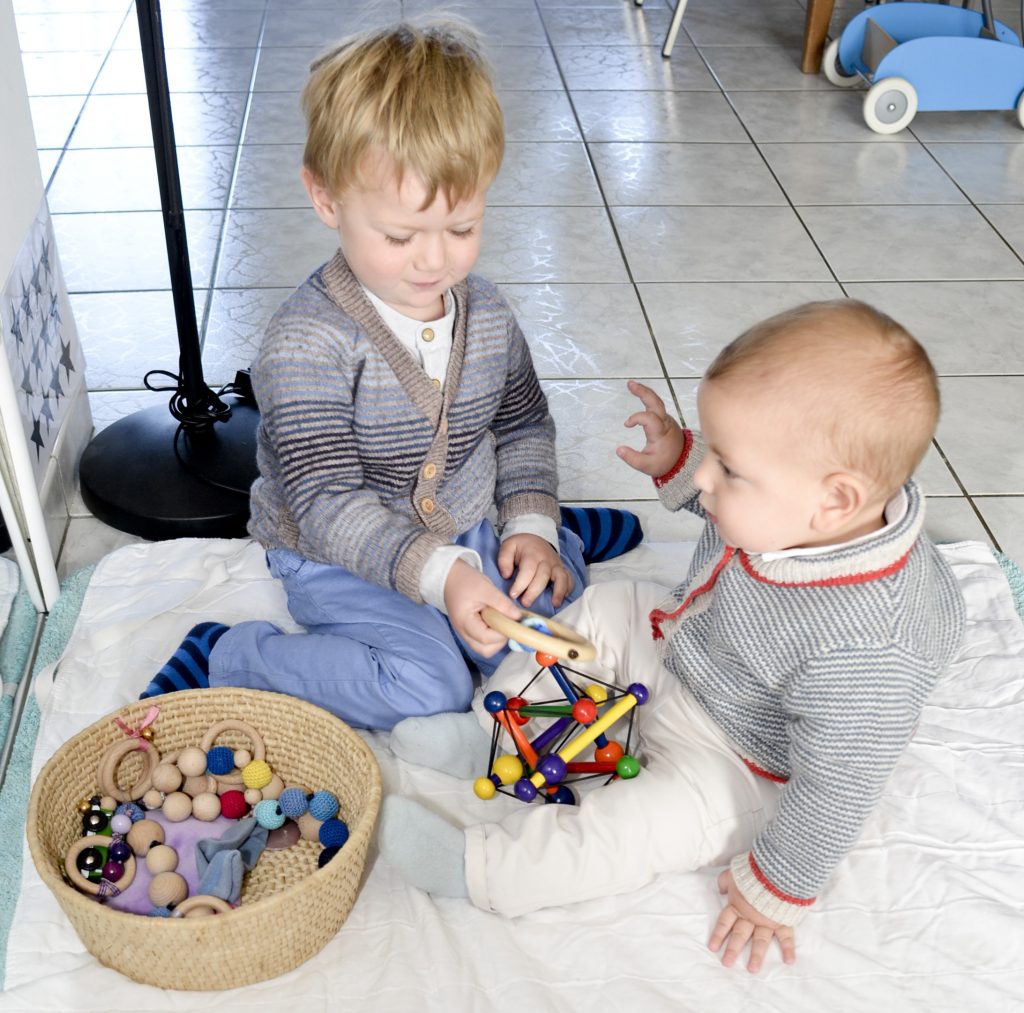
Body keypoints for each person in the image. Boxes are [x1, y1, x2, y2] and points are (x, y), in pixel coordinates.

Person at [376, 299, 967, 973]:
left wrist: (776, 886)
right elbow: (726, 494)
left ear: (834, 501)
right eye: (712, 452)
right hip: (695, 648)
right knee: (605, 607)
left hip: (739, 757)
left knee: (635, 827)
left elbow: (840, 786)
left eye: (729, 468)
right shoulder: (802, 499)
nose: (708, 479)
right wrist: (681, 459)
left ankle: (486, 869)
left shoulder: (870, 651)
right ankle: (507, 740)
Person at [139, 21, 640, 727]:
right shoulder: (306, 342)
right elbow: (327, 504)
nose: (434, 261)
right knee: (428, 682)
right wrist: (446, 577)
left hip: (461, 528)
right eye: (401, 236)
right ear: (327, 200)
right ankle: (233, 657)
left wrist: (528, 518)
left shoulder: (488, 312)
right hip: (335, 553)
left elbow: (523, 422)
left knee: (548, 626)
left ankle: (557, 532)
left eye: (462, 228)